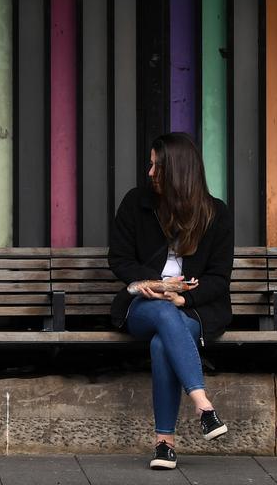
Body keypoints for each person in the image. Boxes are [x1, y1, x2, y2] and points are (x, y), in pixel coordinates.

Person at [108, 132, 233, 470]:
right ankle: (203, 405)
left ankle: (165, 445)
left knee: (163, 344)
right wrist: (145, 283)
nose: (149, 173)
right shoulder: (137, 203)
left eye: (156, 166)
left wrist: (183, 299)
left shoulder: (215, 214)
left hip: (193, 309)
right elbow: (118, 258)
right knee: (162, 312)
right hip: (143, 305)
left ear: (177, 171)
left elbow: (220, 280)